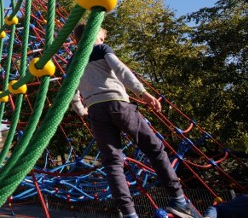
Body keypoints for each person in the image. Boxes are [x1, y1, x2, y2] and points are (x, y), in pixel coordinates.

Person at [70, 23, 202, 218]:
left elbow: (71, 89)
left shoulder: (73, 60)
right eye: (102, 37)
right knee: (154, 148)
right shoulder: (101, 49)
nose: (103, 40)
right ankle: (178, 199)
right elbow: (122, 71)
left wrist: (81, 109)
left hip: (96, 111)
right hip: (118, 104)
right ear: (95, 35)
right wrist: (143, 92)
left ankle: (129, 213)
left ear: (75, 40)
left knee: (112, 163)